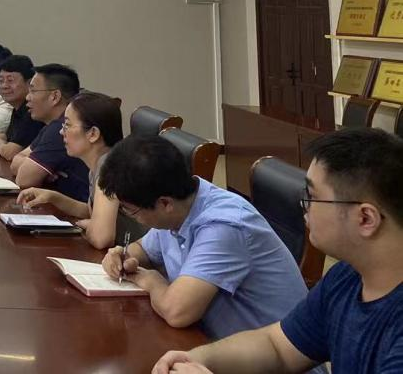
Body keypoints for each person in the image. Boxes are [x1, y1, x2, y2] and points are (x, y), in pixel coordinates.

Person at [153, 129, 403, 374]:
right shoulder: (346, 277)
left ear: (365, 218)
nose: (304, 206)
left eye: (312, 196)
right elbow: (277, 347)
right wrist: (197, 357)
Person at [98, 135, 308, 341]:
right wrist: (122, 256)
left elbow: (176, 312)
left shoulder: (224, 226)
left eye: (132, 211)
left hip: (272, 356)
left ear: (165, 204)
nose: (133, 217)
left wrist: (150, 280)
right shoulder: (180, 205)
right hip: (213, 342)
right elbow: (143, 249)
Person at [16, 92, 146, 249]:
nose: (61, 132)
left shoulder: (109, 166)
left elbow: (101, 238)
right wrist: (53, 197)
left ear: (93, 134)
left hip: (139, 257)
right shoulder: (100, 163)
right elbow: (93, 212)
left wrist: (91, 225)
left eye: (67, 125)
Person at [8, 64, 91, 203]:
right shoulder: (54, 125)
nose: (27, 97)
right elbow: (17, 160)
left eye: (33, 91)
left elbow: (24, 179)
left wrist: (35, 168)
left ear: (54, 96)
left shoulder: (62, 128)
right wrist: (45, 171)